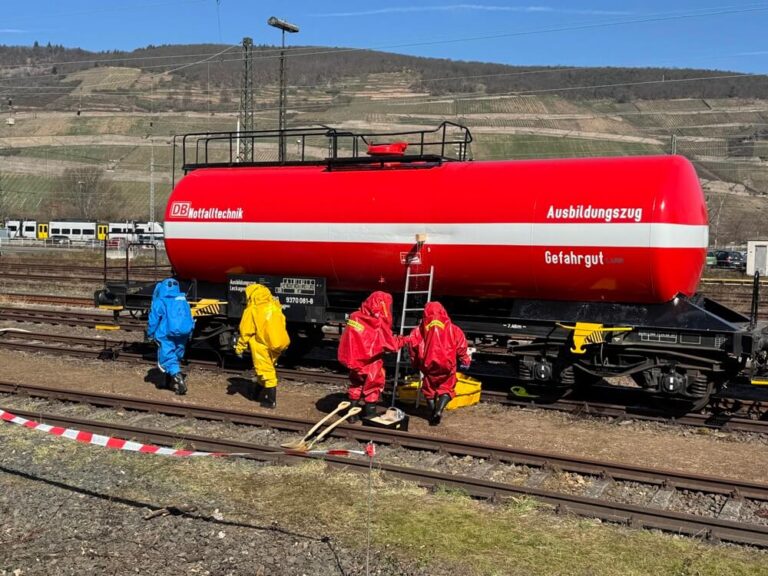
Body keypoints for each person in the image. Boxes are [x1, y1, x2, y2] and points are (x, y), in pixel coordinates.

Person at [338, 291, 404, 420]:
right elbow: (391, 345)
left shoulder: (355, 316)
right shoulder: (378, 323)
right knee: (372, 387)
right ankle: (370, 415)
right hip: (371, 361)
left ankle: (352, 416)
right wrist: (404, 340)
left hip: (353, 360)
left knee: (356, 384)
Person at [407, 301, 471, 425]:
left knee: (429, 388)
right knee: (447, 387)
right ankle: (439, 410)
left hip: (427, 365)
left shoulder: (418, 331)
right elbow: (462, 346)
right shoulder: (454, 329)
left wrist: (415, 364)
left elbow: (412, 348)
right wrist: (465, 361)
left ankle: (432, 412)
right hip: (447, 364)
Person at [234, 283, 290, 408]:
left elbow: (246, 331)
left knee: (266, 371)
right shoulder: (275, 306)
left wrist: (239, 348)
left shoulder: (252, 310)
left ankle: (270, 401)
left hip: (261, 344)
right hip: (278, 343)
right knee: (265, 369)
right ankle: (255, 393)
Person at [146, 278, 195, 395]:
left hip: (166, 333)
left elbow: (153, 320)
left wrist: (150, 334)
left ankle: (179, 381)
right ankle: (167, 381)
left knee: (168, 358)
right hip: (183, 333)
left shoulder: (160, 301)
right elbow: (190, 317)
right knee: (176, 356)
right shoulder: (183, 300)